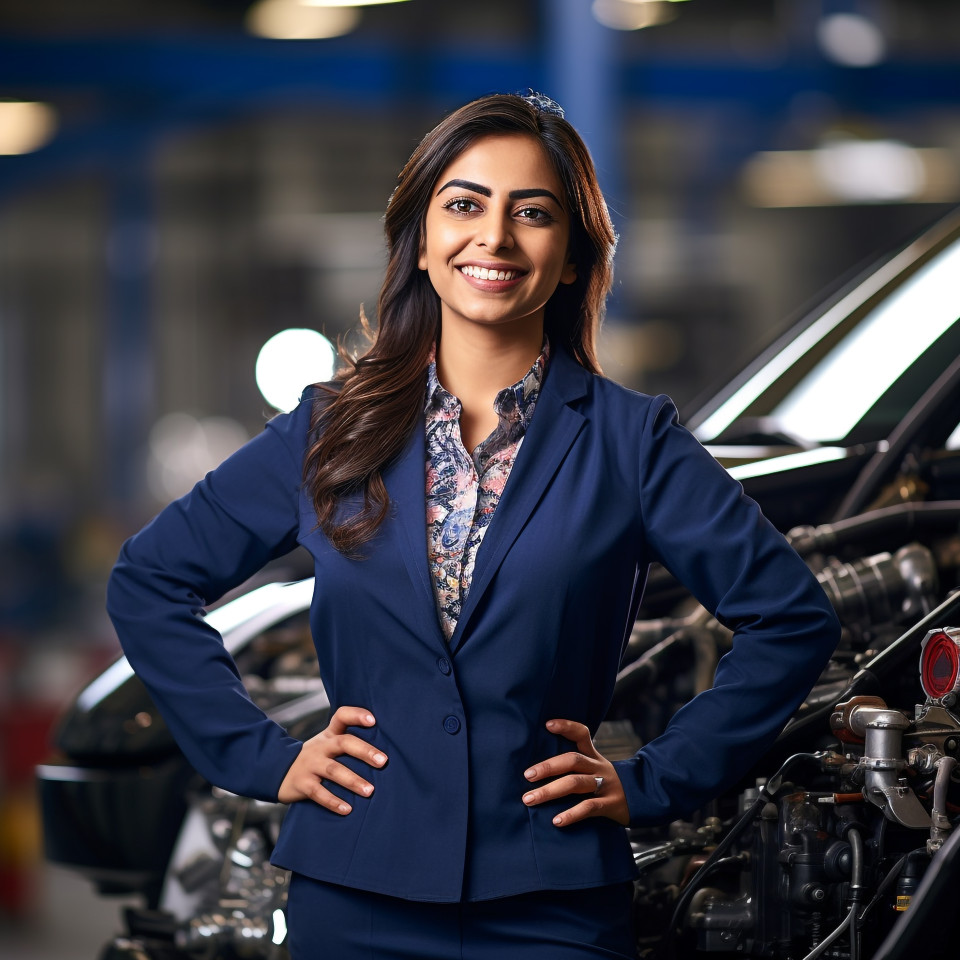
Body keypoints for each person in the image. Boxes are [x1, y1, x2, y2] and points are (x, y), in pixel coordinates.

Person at [107, 92, 840, 959]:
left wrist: (656, 781)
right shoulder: (327, 430)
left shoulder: (631, 441)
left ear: (570, 257)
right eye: (464, 204)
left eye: (532, 213)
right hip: (355, 895)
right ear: (422, 238)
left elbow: (792, 619)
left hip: (552, 904)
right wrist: (263, 758)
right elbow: (149, 581)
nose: (494, 237)